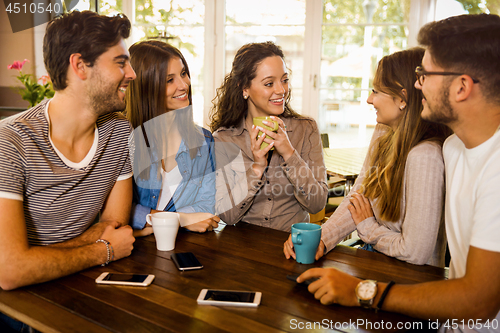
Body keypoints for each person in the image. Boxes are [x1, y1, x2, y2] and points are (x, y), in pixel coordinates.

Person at [296, 14, 500, 331]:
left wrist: (363, 292)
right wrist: (325, 236)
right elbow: (364, 188)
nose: (417, 85)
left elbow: (480, 301)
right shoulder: (454, 148)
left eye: (425, 74)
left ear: (461, 87)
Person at [0, 10, 137, 330]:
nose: (131, 73)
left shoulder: (119, 133)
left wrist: (36, 258)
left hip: (81, 289)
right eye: (120, 62)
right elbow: (10, 271)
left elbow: (114, 227)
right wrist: (101, 251)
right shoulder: (10, 141)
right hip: (15, 309)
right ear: (79, 66)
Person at [284, 48, 451, 267]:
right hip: (373, 259)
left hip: (407, 280)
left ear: (402, 98)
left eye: (376, 91)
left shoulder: (426, 156)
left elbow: (414, 253)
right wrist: (321, 239)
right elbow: (360, 194)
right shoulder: (383, 132)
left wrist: (368, 226)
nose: (369, 99)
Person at [210, 41, 328, 232]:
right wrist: (257, 168)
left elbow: (317, 204)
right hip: (242, 247)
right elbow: (228, 216)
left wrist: (290, 154)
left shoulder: (306, 129)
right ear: (244, 88)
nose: (281, 90)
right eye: (269, 83)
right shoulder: (223, 139)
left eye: (284, 80)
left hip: (292, 244)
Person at [125, 40, 219, 235]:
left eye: (183, 73)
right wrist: (180, 219)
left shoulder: (204, 140)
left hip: (181, 247)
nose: (184, 85)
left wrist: (148, 224)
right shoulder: (124, 139)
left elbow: (206, 207)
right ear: (146, 88)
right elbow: (117, 211)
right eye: (170, 80)